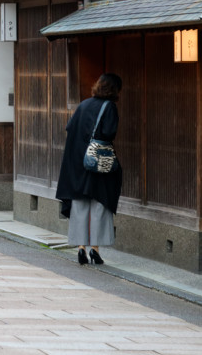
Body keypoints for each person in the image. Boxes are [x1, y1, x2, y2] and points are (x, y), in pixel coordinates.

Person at [55, 73, 123, 266]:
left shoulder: (83, 105)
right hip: (98, 163)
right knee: (100, 204)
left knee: (80, 205)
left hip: (77, 163)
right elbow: (109, 132)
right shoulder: (109, 107)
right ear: (114, 89)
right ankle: (95, 250)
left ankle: (80, 249)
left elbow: (70, 128)